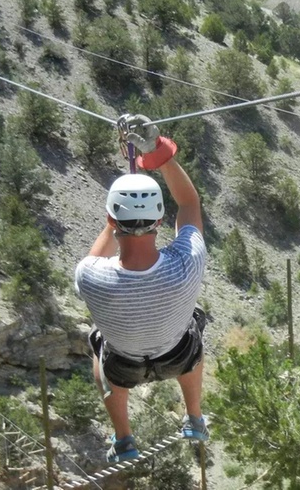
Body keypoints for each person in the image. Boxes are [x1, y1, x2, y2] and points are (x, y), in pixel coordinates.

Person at [74, 115, 208, 462]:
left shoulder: (90, 277)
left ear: (112, 219)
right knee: (193, 330)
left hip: (124, 365)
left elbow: (95, 256)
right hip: (177, 356)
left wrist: (111, 225)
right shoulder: (186, 263)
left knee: (97, 345)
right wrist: (158, 152)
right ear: (160, 220)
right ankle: (194, 416)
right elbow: (190, 203)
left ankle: (123, 439)